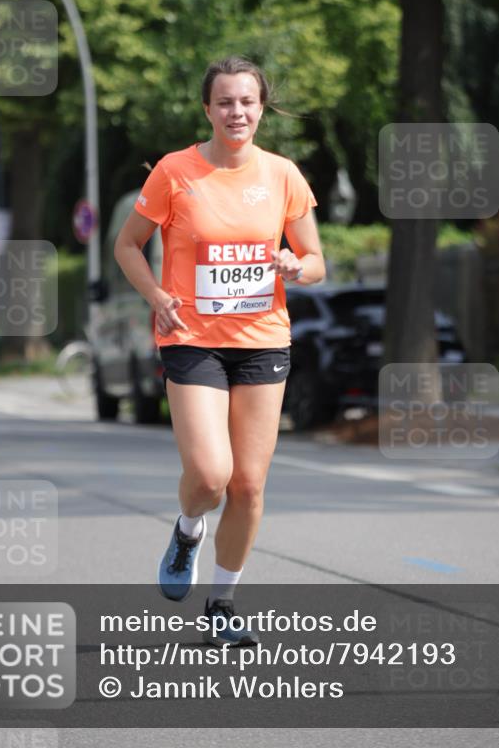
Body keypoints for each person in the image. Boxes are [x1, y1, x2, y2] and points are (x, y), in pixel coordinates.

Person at [114, 56, 325, 646]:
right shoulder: (175, 172)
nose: (237, 112)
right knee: (210, 476)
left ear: (262, 107)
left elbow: (315, 260)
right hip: (191, 338)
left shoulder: (283, 174)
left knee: (249, 486)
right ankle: (187, 531)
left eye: (247, 102)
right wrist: (155, 294)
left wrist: (294, 264)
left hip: (262, 340)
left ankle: (222, 606)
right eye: (226, 102)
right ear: (207, 109)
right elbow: (127, 244)